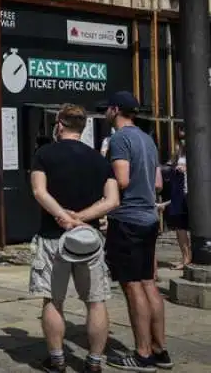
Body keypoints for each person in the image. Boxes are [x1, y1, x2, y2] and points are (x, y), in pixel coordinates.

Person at [29, 104, 120, 373]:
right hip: (89, 239)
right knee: (95, 301)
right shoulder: (99, 160)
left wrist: (63, 216)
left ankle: (57, 360)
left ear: (59, 124)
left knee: (53, 299)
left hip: (52, 238)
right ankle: (93, 362)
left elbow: (38, 191)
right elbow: (113, 200)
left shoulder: (44, 154)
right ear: (83, 127)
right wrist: (80, 218)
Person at [100, 91, 172, 372]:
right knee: (148, 283)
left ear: (116, 110)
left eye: (108, 108)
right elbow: (156, 183)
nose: (106, 112)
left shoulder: (119, 139)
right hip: (149, 217)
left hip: (127, 219)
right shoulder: (147, 139)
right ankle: (160, 349)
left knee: (132, 287)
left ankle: (142, 354)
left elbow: (122, 179)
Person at [165, 125, 190, 269]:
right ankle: (185, 257)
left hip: (193, 193)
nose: (183, 141)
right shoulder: (178, 153)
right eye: (180, 138)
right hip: (180, 193)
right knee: (180, 227)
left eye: (185, 137)